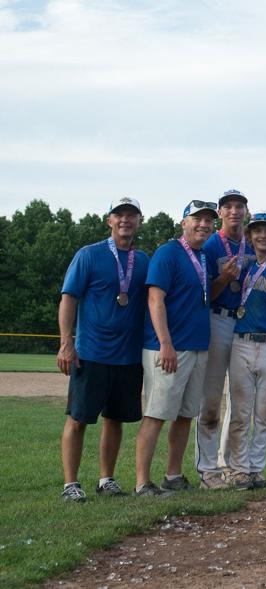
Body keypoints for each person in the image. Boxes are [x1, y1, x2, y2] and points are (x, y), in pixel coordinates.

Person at [57, 197, 150, 502]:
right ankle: (70, 485)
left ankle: (106, 479)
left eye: (131, 215)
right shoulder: (89, 255)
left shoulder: (144, 261)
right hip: (91, 353)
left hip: (128, 356)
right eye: (119, 214)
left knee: (115, 419)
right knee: (78, 418)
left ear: (139, 221)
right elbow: (68, 298)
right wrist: (66, 343)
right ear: (109, 220)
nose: (125, 220)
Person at [134, 199, 218, 497]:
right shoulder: (168, 252)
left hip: (197, 346)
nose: (203, 224)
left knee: (185, 415)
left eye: (208, 220)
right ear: (184, 223)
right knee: (156, 414)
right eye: (197, 219)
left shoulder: (204, 256)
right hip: (169, 348)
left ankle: (173, 475)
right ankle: (142, 483)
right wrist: (165, 343)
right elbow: (155, 299)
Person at [221, 212, 266, 490]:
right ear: (250, 236)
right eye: (257, 231)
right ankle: (239, 468)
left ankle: (256, 469)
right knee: (240, 411)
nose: (263, 236)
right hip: (242, 342)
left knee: (264, 412)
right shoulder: (243, 265)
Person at [196, 188, 253, 490]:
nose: (234, 211)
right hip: (217, 318)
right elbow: (203, 295)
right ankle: (207, 469)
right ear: (219, 213)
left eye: (239, 206)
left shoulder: (251, 245)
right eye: (228, 206)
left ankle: (231, 465)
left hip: (244, 323)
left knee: (240, 400)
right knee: (211, 399)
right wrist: (223, 279)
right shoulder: (210, 246)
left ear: (246, 212)